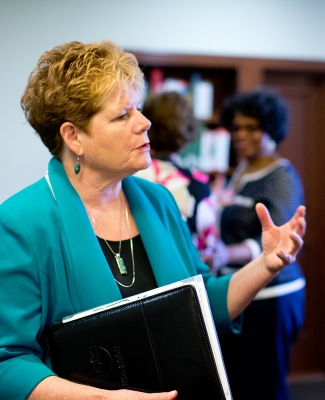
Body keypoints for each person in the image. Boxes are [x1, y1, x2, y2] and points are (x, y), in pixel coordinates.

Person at [0, 40, 306, 400]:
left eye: (139, 109)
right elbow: (10, 361)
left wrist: (267, 264)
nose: (144, 123)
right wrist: (103, 399)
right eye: (123, 115)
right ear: (74, 136)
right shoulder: (19, 222)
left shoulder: (158, 200)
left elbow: (200, 303)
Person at [210, 89, 306, 400]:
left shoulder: (282, 177)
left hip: (273, 295)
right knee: (240, 382)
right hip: (242, 288)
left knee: (265, 386)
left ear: (271, 129)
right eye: (236, 128)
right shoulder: (241, 168)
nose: (241, 135)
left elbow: (275, 242)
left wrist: (226, 253)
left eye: (251, 127)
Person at [135, 91, 217, 254]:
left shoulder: (128, 175)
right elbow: (207, 245)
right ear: (189, 128)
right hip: (183, 273)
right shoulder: (196, 181)